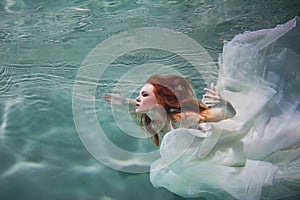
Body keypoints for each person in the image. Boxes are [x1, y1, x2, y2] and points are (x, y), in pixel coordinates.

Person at [102, 74, 236, 146]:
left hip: (216, 146)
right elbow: (145, 104)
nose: (137, 98)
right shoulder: (156, 119)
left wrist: (224, 104)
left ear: (159, 100)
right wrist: (125, 102)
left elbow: (230, 114)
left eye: (144, 94)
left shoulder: (180, 119)